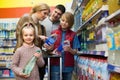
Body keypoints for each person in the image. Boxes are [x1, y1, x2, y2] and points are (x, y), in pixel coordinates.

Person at [13, 3, 50, 80]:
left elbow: (39, 45)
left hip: (35, 55)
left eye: (47, 14)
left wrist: (46, 45)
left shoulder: (41, 26)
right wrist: (38, 36)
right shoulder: (26, 18)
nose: (46, 16)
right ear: (38, 10)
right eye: (45, 13)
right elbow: (19, 34)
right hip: (23, 52)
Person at [48, 12, 80, 80]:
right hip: (55, 65)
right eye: (63, 20)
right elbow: (48, 49)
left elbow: (76, 52)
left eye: (67, 22)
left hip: (68, 66)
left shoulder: (73, 35)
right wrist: (51, 50)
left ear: (70, 24)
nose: (64, 23)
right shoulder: (53, 33)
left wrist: (69, 49)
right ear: (60, 20)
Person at [40, 4, 66, 79]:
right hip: (42, 54)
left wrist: (58, 50)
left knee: (54, 76)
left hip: (54, 56)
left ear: (61, 16)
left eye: (59, 14)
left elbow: (63, 41)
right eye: (55, 12)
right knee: (40, 75)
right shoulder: (43, 21)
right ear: (53, 10)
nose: (56, 15)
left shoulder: (61, 26)